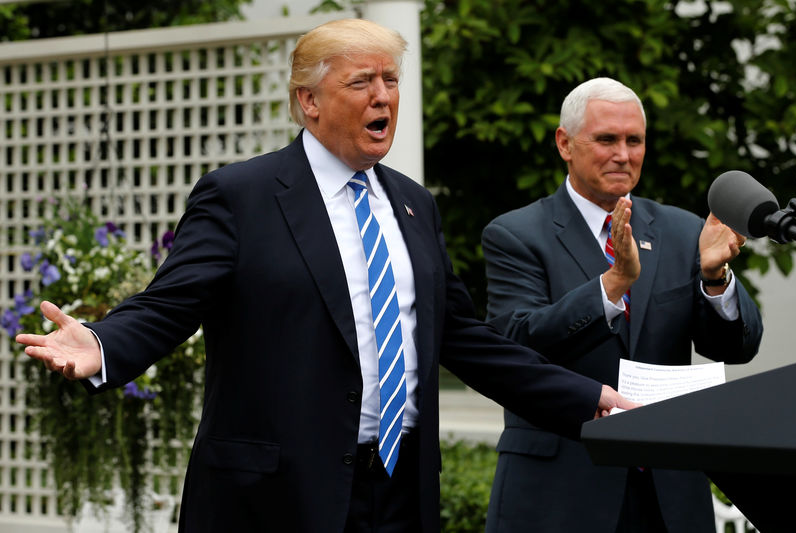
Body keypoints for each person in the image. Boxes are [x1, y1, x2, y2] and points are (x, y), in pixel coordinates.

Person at [16, 21, 635, 533]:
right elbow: (169, 304)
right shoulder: (242, 196)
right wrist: (99, 344)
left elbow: (464, 340)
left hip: (399, 494)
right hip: (275, 500)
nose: (384, 97)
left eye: (391, 80)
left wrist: (590, 400)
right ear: (309, 102)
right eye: (361, 82)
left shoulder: (415, 205)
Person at [481, 76, 763, 533]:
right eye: (607, 139)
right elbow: (516, 345)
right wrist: (611, 286)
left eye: (635, 140)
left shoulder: (679, 230)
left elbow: (737, 346)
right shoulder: (516, 235)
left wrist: (715, 278)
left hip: (669, 493)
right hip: (560, 490)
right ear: (564, 143)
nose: (623, 154)